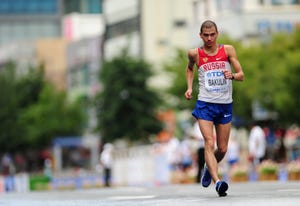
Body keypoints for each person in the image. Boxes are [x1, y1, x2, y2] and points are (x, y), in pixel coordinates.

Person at [184, 20, 244, 197]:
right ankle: (218, 182)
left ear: (217, 34)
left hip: (225, 103)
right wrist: (189, 87)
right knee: (209, 143)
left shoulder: (228, 50)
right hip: (205, 104)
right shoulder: (195, 53)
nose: (209, 38)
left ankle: (207, 168)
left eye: (212, 35)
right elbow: (189, 69)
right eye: (206, 35)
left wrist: (232, 75)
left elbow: (242, 75)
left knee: (223, 148)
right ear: (201, 35)